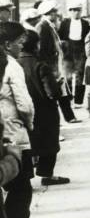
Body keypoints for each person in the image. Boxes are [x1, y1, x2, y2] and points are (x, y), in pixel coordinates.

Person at [18, 30, 69, 186]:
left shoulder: (13, 64)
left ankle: (25, 177)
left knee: (25, 144)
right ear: (36, 45)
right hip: (44, 111)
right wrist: (58, 84)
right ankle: (47, 174)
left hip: (22, 110)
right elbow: (52, 93)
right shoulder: (41, 65)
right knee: (49, 142)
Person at [0, 22, 34, 218]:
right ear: (6, 44)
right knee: (21, 189)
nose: (23, 45)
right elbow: (24, 105)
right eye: (19, 42)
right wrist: (30, 124)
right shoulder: (11, 65)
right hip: (13, 133)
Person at [36, 0, 79, 124]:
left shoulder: (49, 25)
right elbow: (42, 49)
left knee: (62, 90)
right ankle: (58, 122)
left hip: (57, 65)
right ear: (48, 13)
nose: (56, 14)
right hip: (51, 66)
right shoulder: (42, 26)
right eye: (54, 11)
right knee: (54, 94)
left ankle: (69, 116)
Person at [58, 0, 90, 107]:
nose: (75, 12)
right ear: (70, 12)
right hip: (68, 51)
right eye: (73, 10)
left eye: (78, 10)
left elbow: (88, 38)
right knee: (67, 77)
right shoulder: (64, 23)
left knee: (80, 76)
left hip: (80, 51)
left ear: (81, 11)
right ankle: (69, 99)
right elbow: (60, 37)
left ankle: (78, 101)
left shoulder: (85, 24)